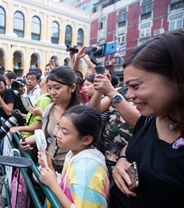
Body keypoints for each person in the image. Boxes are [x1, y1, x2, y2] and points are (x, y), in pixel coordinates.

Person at [110, 30, 184, 208]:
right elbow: (133, 146)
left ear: (176, 79)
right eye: (127, 87)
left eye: (136, 86)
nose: (129, 95)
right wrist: (121, 161)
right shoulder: (149, 119)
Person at [39, 105, 109, 208]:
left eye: (65, 132)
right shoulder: (74, 153)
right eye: (59, 128)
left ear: (86, 139)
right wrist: (50, 167)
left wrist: (53, 185)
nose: (58, 134)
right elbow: (67, 186)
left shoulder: (86, 170)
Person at [19, 66, 80, 173]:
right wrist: (26, 141)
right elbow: (44, 134)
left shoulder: (81, 113)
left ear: (73, 87)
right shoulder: (50, 108)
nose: (52, 92)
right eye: (50, 88)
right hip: (48, 161)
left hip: (69, 168)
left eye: (57, 88)